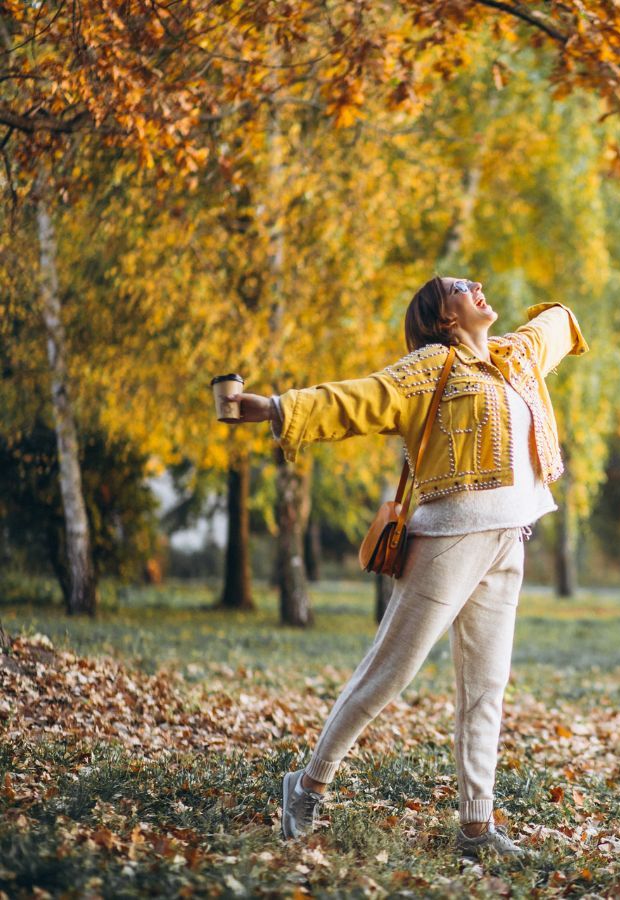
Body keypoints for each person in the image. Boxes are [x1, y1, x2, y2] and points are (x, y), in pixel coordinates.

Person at [226, 276, 587, 856]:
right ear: (443, 318)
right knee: (389, 671)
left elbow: (556, 324)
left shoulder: (514, 358)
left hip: (508, 541)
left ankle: (476, 827)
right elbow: (356, 400)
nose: (477, 287)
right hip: (446, 543)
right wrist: (272, 407)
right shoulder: (429, 368)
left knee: (486, 685)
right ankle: (307, 784)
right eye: (461, 288)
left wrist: (562, 312)